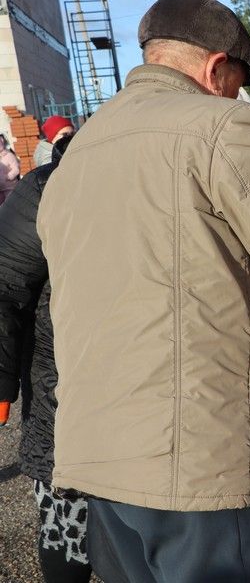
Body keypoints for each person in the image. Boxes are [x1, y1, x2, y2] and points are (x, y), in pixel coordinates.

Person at [35, 0, 250, 581]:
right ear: (215, 67)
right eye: (238, 82)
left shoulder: (82, 152)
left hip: (96, 455)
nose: (238, 95)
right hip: (195, 458)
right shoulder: (218, 127)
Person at [0, 135, 93, 583]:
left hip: (138, 386)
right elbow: (5, 285)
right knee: (64, 518)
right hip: (59, 384)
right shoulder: (43, 188)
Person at [0, 134, 20, 204]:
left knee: (13, 205)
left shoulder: (9, 156)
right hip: (1, 190)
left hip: (10, 188)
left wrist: (7, 177)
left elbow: (16, 170)